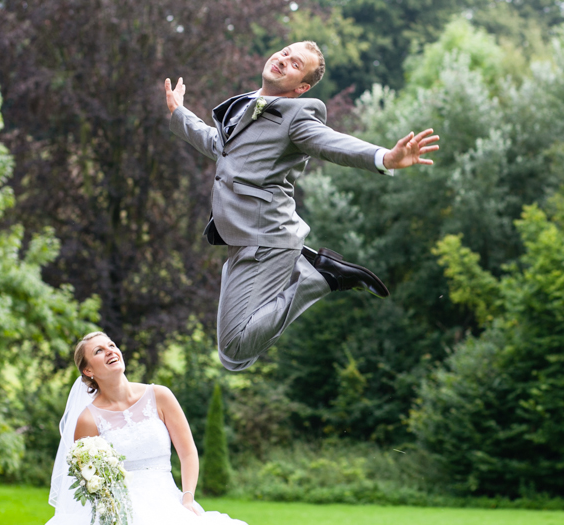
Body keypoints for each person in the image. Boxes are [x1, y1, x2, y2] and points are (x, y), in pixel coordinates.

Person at [165, 40, 439, 371]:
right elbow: (218, 146)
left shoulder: (296, 115)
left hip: (267, 239)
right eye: (284, 53)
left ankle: (316, 277)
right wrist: (180, 113)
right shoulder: (248, 106)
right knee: (233, 354)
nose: (282, 61)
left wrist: (384, 158)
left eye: (295, 65)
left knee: (234, 352)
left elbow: (331, 144)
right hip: (240, 235)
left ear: (301, 87)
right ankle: (312, 271)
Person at [18, 332, 278, 525]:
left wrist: (187, 498)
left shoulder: (159, 396)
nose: (110, 351)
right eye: (98, 351)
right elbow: (90, 480)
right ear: (87, 370)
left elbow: (188, 453)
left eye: (112, 345)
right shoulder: (87, 420)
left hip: (169, 502)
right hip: (122, 513)